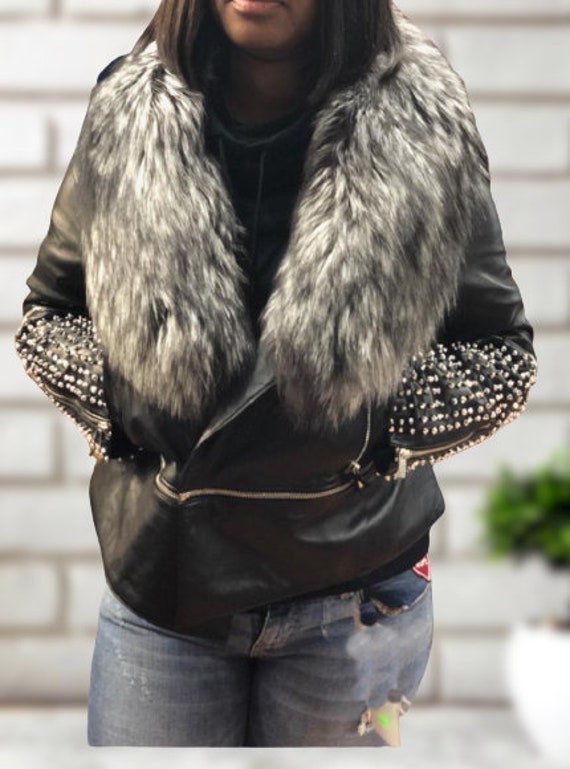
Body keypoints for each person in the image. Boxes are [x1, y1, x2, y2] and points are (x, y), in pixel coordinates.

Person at [14, 0, 538, 748]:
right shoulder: (130, 111)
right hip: (166, 586)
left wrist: (368, 424)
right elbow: (49, 316)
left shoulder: (423, 123)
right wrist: (131, 403)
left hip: (357, 597)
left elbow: (502, 355)